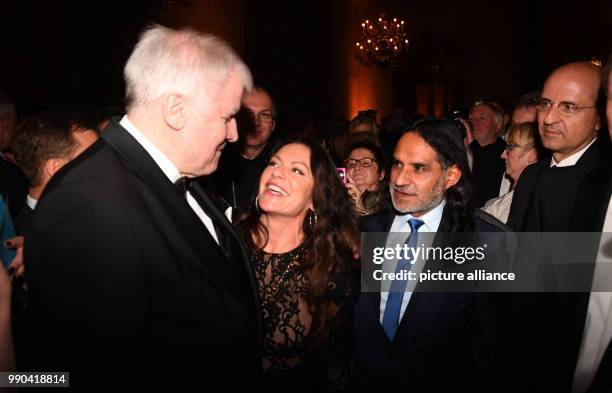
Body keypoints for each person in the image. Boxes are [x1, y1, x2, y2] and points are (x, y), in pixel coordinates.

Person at [23, 25, 262, 387]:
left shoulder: (181, 178)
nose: (233, 134)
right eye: (227, 117)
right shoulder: (90, 205)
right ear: (176, 110)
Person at [353, 118, 507, 392]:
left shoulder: (486, 242)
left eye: (419, 168)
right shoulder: (368, 229)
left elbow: (490, 343)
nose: (399, 179)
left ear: (451, 176)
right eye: (397, 164)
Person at [499, 61, 608, 393]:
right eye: (545, 104)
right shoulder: (535, 174)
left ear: (600, 119)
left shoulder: (600, 184)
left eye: (569, 107)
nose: (548, 118)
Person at [235, 137, 359, 391]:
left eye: (297, 170)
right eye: (273, 163)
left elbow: (334, 365)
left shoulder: (330, 267)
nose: (277, 173)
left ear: (315, 197)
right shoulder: (228, 239)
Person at [213, 86, 277, 213]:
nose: (255, 122)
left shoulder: (280, 166)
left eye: (265, 115)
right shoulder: (212, 160)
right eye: (247, 114)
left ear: (273, 125)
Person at [481, 122, 543, 223]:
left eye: (510, 147)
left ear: (532, 155)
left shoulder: (530, 201)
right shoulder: (511, 198)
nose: (503, 155)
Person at [468, 101, 507, 207]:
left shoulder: (506, 155)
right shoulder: (461, 151)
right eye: (471, 119)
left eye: (482, 118)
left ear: (497, 126)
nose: (474, 122)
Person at [344, 138, 388, 216]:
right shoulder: (339, 201)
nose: (357, 167)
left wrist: (360, 211)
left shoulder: (390, 204)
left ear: (381, 174)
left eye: (365, 163)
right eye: (351, 164)